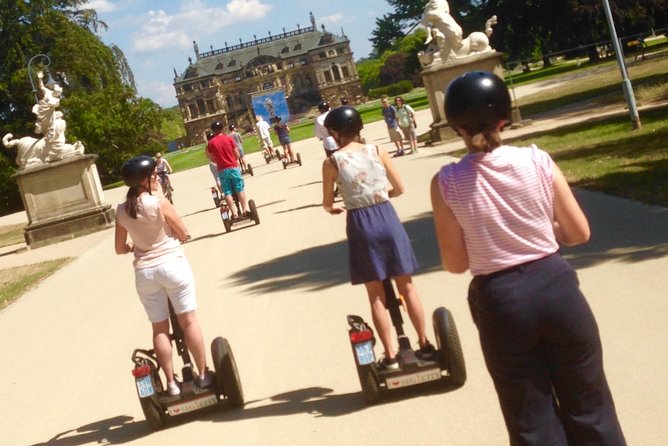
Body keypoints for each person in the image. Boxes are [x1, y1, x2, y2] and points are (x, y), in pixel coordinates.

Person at [430, 71, 626, 445]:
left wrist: (488, 237)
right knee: (590, 403)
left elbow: (455, 263)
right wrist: (540, 228)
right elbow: (578, 233)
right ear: (504, 118)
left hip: (501, 300)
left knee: (530, 418)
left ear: (455, 126)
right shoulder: (537, 161)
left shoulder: (447, 182)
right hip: (557, 288)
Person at [322, 106, 435, 370]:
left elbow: (327, 202)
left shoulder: (331, 163)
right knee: (406, 286)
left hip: (361, 223)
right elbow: (399, 188)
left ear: (335, 133)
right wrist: (383, 197)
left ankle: (391, 355)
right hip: (386, 216)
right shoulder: (377, 151)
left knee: (376, 295)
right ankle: (424, 343)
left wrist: (334, 208)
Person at [115, 156, 213, 396]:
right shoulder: (160, 203)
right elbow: (183, 232)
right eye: (153, 176)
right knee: (188, 320)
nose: (157, 177)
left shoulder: (121, 211)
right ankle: (202, 375)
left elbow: (119, 248)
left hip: (145, 273)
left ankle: (170, 383)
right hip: (172, 265)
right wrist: (178, 236)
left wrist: (132, 247)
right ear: (144, 181)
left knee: (159, 329)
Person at [207, 121, 248, 218]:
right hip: (233, 166)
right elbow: (237, 154)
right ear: (222, 129)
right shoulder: (228, 138)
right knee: (239, 188)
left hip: (222, 169)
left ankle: (234, 213)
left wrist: (220, 161)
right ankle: (245, 209)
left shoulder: (211, 143)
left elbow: (212, 158)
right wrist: (233, 160)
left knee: (227, 192)